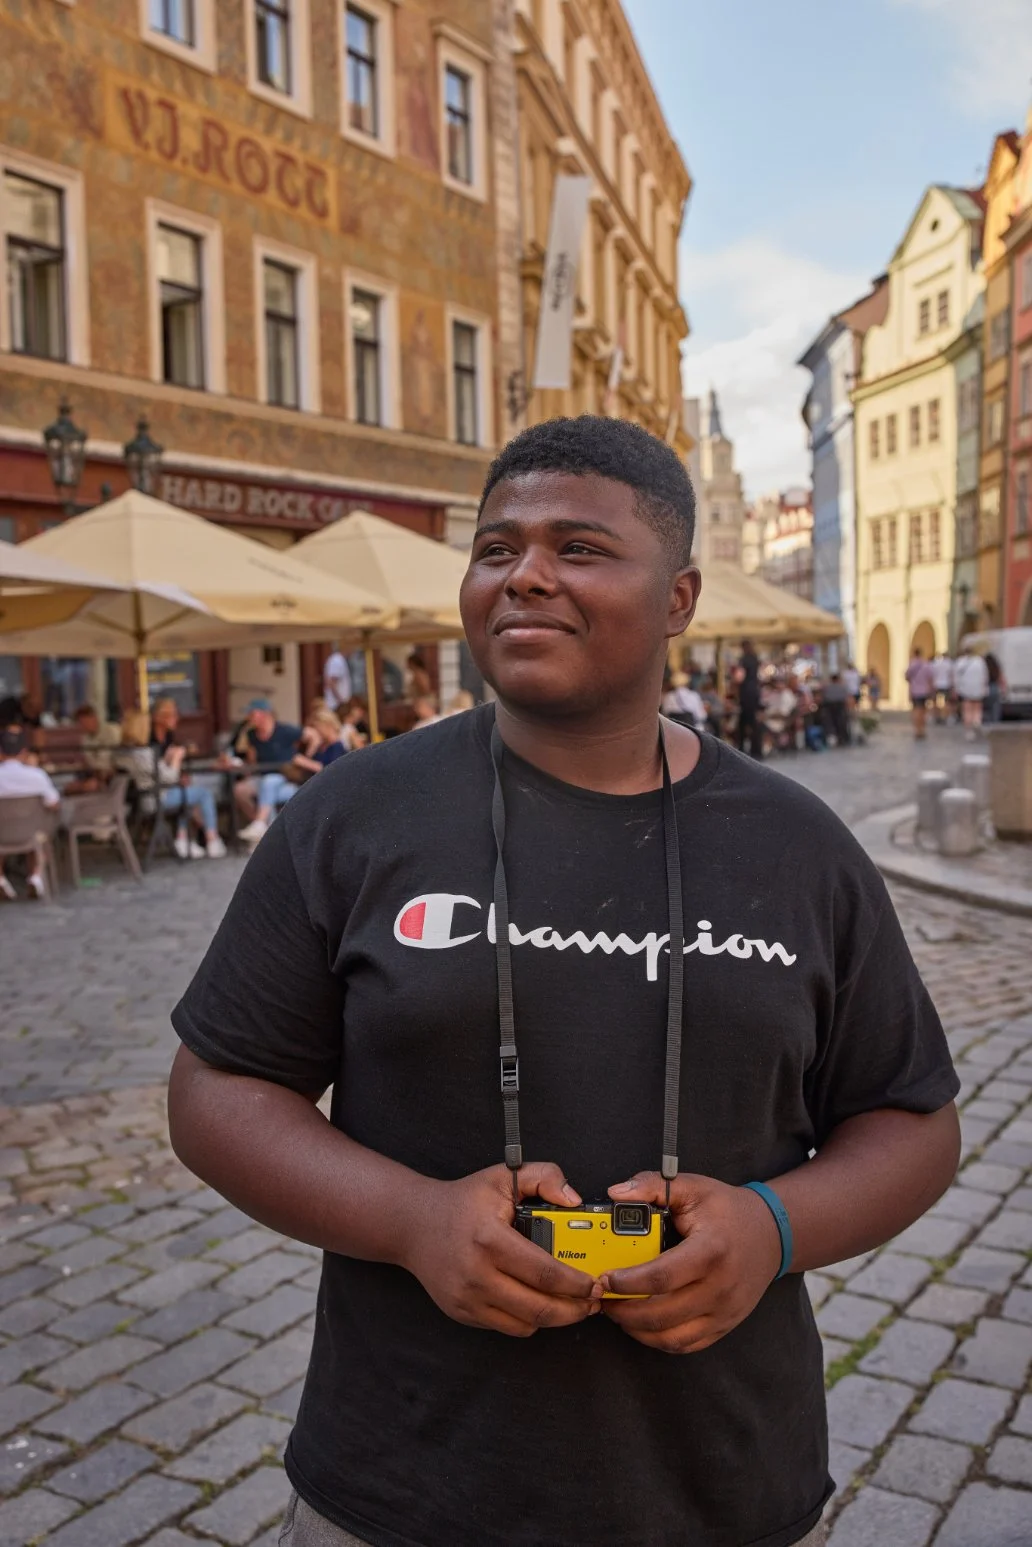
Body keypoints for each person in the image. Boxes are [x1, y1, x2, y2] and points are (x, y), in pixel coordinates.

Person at [168, 415, 960, 1547]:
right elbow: (217, 1089)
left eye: (579, 547)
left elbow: (912, 1118)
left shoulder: (799, 846)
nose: (526, 574)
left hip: (719, 1481)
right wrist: (413, 1221)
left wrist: (773, 1227)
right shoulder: (355, 814)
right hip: (403, 1481)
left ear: (679, 599)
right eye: (496, 548)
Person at [118, 710, 226, 860]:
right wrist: (176, 759)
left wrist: (166, 759)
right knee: (203, 794)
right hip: (157, 798)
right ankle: (212, 839)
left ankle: (183, 839)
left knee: (189, 793)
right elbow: (169, 777)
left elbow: (155, 772)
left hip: (148, 796)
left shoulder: (127, 752)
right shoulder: (142, 753)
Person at [0, 726, 60, 899]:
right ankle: (35, 875)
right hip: (32, 833)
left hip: (2, 833)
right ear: (24, 752)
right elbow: (54, 804)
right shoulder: (37, 776)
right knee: (43, 830)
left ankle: (1, 879)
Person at [236, 699, 303, 843]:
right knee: (240, 790)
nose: (248, 717)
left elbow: (311, 735)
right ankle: (261, 826)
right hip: (262, 776)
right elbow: (252, 762)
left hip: (285, 777)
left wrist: (306, 756)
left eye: (252, 714)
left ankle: (261, 826)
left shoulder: (285, 730)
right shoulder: (251, 734)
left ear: (264, 714)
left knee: (269, 783)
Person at [292, 709, 350, 780]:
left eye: (316, 727)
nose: (314, 731)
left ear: (327, 725)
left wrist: (303, 761)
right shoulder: (322, 744)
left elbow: (330, 770)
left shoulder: (337, 746)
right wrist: (313, 746)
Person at [735, 638, 763, 760]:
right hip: (754, 692)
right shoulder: (755, 658)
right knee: (753, 722)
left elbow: (739, 677)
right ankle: (756, 750)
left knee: (743, 723)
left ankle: (742, 748)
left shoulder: (743, 660)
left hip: (746, 693)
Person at [953, 646, 989, 740]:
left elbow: (956, 677)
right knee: (977, 708)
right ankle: (976, 722)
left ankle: (969, 730)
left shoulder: (960, 662)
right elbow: (985, 676)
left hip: (965, 689)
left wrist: (956, 689)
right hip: (978, 688)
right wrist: (984, 688)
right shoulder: (980, 661)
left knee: (967, 710)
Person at [904, 648, 935, 739]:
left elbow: (907, 677)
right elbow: (930, 678)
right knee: (923, 711)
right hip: (925, 691)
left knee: (916, 710)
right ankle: (922, 729)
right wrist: (931, 690)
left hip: (915, 691)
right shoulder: (926, 665)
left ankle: (917, 729)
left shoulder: (912, 665)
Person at [820, 674, 851, 748]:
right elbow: (846, 698)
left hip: (830, 708)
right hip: (840, 708)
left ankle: (833, 738)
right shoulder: (842, 687)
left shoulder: (827, 688)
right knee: (841, 723)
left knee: (831, 724)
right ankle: (842, 738)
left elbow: (824, 697)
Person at [322, 645, 353, 714]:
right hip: (336, 704)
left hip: (339, 703)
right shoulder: (337, 661)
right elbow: (331, 682)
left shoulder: (341, 660)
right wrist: (340, 700)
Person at [931, 653, 954, 725]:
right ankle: (946, 716)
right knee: (947, 702)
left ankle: (936, 716)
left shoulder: (936, 663)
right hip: (946, 684)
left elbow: (932, 674)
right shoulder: (949, 663)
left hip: (936, 684)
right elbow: (951, 675)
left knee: (935, 702)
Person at [984, 652, 1005, 724]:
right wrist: (1003, 689)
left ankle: (986, 722)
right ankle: (995, 723)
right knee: (995, 708)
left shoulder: (984, 667)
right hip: (995, 688)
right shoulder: (996, 667)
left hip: (986, 688)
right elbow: (1001, 678)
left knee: (985, 708)